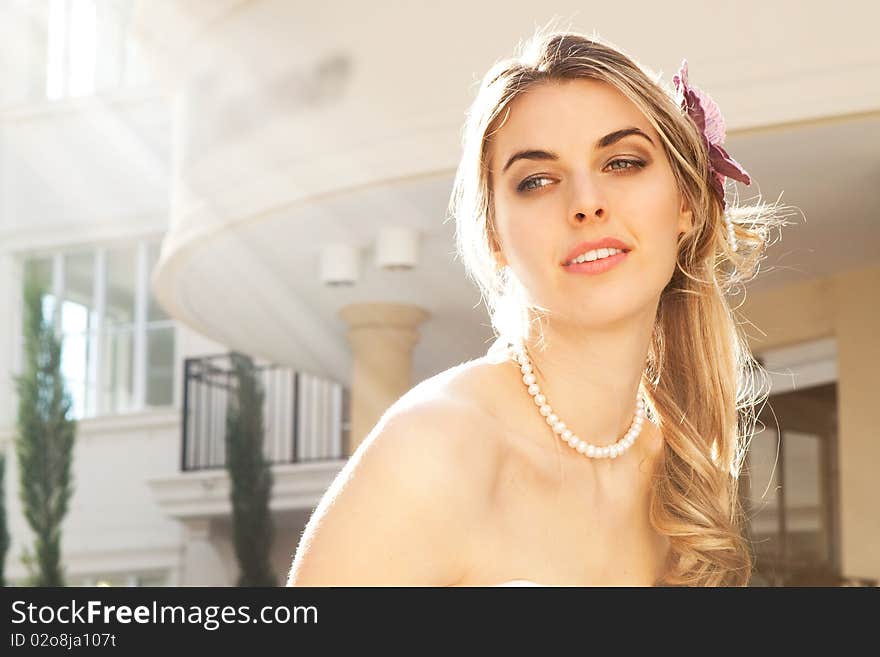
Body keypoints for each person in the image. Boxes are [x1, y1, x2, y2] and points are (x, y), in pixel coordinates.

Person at [287, 28, 790, 587]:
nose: (586, 203)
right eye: (537, 180)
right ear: (495, 236)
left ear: (688, 204)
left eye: (622, 162)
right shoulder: (437, 448)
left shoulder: (683, 475)